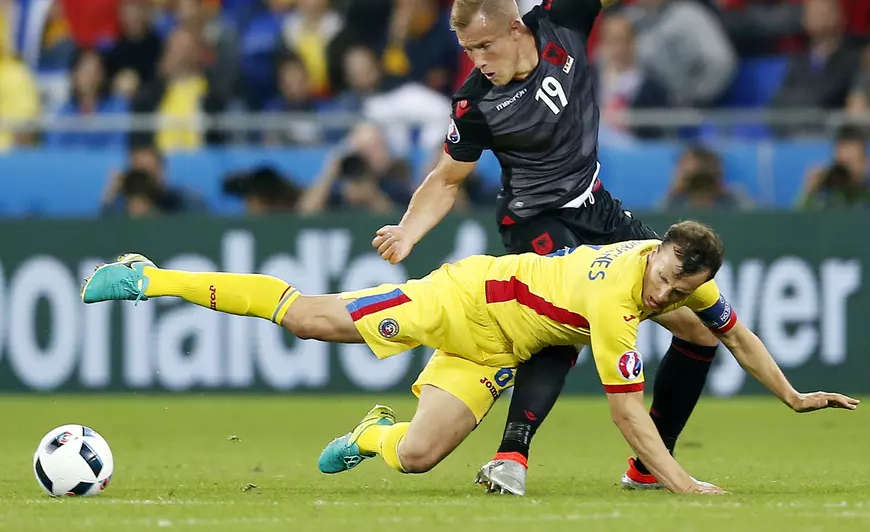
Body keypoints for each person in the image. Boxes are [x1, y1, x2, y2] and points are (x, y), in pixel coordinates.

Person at [80, 221, 859, 494]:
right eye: (660, 276)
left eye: (676, 289)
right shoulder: (619, 296)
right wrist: (685, 484)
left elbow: (736, 332)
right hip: (464, 297)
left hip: (496, 346)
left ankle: (370, 434)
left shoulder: (680, 284)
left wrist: (791, 395)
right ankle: (153, 276)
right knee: (313, 319)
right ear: (655, 254)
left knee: (417, 456)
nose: (663, 294)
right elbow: (625, 409)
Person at [369, 0, 723, 497]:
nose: (478, 60)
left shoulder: (560, 17)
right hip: (535, 220)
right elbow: (447, 178)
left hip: (599, 208)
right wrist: (409, 231)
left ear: (515, 28)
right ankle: (512, 455)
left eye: (485, 46)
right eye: (468, 51)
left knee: (700, 331)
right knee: (566, 317)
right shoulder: (475, 102)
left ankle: (647, 467)